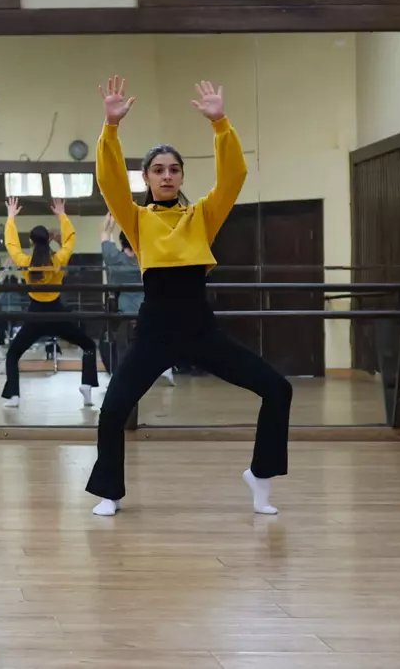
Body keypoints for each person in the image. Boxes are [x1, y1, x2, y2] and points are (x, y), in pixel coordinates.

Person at [87, 75, 291, 517]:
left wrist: (220, 124)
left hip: (201, 329)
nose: (166, 175)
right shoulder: (137, 219)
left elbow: (235, 175)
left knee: (278, 389)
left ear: (181, 175)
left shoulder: (202, 215)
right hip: (155, 331)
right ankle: (111, 491)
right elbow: (108, 180)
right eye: (158, 170)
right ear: (146, 177)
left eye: (173, 169)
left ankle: (261, 475)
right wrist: (111, 127)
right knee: (112, 410)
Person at [0, 197, 99, 408]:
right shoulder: (58, 260)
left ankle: (14, 396)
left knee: (13, 354)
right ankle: (87, 387)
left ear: (32, 242)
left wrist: (11, 218)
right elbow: (71, 239)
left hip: (35, 315)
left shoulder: (26, 262)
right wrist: (62, 214)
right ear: (48, 240)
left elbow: (11, 245)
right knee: (89, 346)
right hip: (57, 313)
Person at [99, 213, 174, 386]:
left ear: (122, 243)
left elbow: (104, 235)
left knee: (124, 349)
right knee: (153, 344)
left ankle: (122, 378)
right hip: (148, 311)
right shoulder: (146, 260)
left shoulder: (115, 259)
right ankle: (164, 368)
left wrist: (111, 219)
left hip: (125, 313)